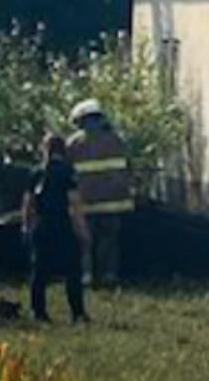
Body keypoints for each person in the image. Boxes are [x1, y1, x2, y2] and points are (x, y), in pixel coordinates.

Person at [23, 132, 91, 324]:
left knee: (39, 272)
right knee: (73, 271)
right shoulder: (67, 172)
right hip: (62, 225)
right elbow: (75, 203)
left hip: (42, 226)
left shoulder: (36, 173)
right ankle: (77, 313)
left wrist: (27, 226)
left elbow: (28, 204)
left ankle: (39, 312)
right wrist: (82, 230)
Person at [65, 99, 132, 287]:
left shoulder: (73, 144)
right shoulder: (117, 140)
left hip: (84, 203)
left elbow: (66, 174)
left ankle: (86, 276)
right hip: (114, 201)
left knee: (84, 240)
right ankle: (109, 275)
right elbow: (127, 169)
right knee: (109, 241)